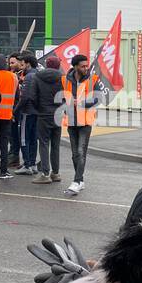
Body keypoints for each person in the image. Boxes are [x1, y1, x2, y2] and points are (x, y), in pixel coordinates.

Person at [59, 53, 105, 197]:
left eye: (87, 65)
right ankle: (81, 180)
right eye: (83, 66)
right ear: (75, 67)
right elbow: (60, 98)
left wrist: (81, 103)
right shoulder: (64, 80)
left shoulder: (93, 80)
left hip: (85, 122)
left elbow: (98, 99)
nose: (86, 68)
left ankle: (77, 181)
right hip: (71, 121)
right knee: (74, 154)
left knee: (80, 152)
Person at [30, 55, 66, 185]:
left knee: (44, 144)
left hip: (44, 114)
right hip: (58, 114)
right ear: (58, 65)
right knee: (56, 145)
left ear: (46, 64)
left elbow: (32, 96)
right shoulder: (63, 78)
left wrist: (39, 109)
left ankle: (45, 174)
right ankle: (55, 173)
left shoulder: (38, 76)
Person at [0, 57, 19, 181]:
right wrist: (12, 111)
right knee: (4, 144)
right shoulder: (13, 77)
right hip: (7, 115)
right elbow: (17, 96)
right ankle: (3, 170)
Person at [14, 51, 40, 174]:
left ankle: (27, 164)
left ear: (28, 64)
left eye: (23, 64)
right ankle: (33, 163)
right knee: (33, 138)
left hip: (27, 111)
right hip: (36, 112)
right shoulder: (39, 74)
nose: (21, 66)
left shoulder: (29, 77)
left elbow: (24, 97)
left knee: (24, 138)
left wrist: (15, 111)